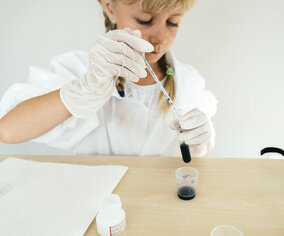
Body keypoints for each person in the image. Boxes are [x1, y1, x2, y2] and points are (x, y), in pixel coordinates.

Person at [0, 0, 217, 157]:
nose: (160, 37)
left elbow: (200, 151)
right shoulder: (78, 70)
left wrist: (199, 142)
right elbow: (8, 130)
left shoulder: (188, 81)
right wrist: (83, 90)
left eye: (173, 22)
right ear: (110, 7)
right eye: (145, 20)